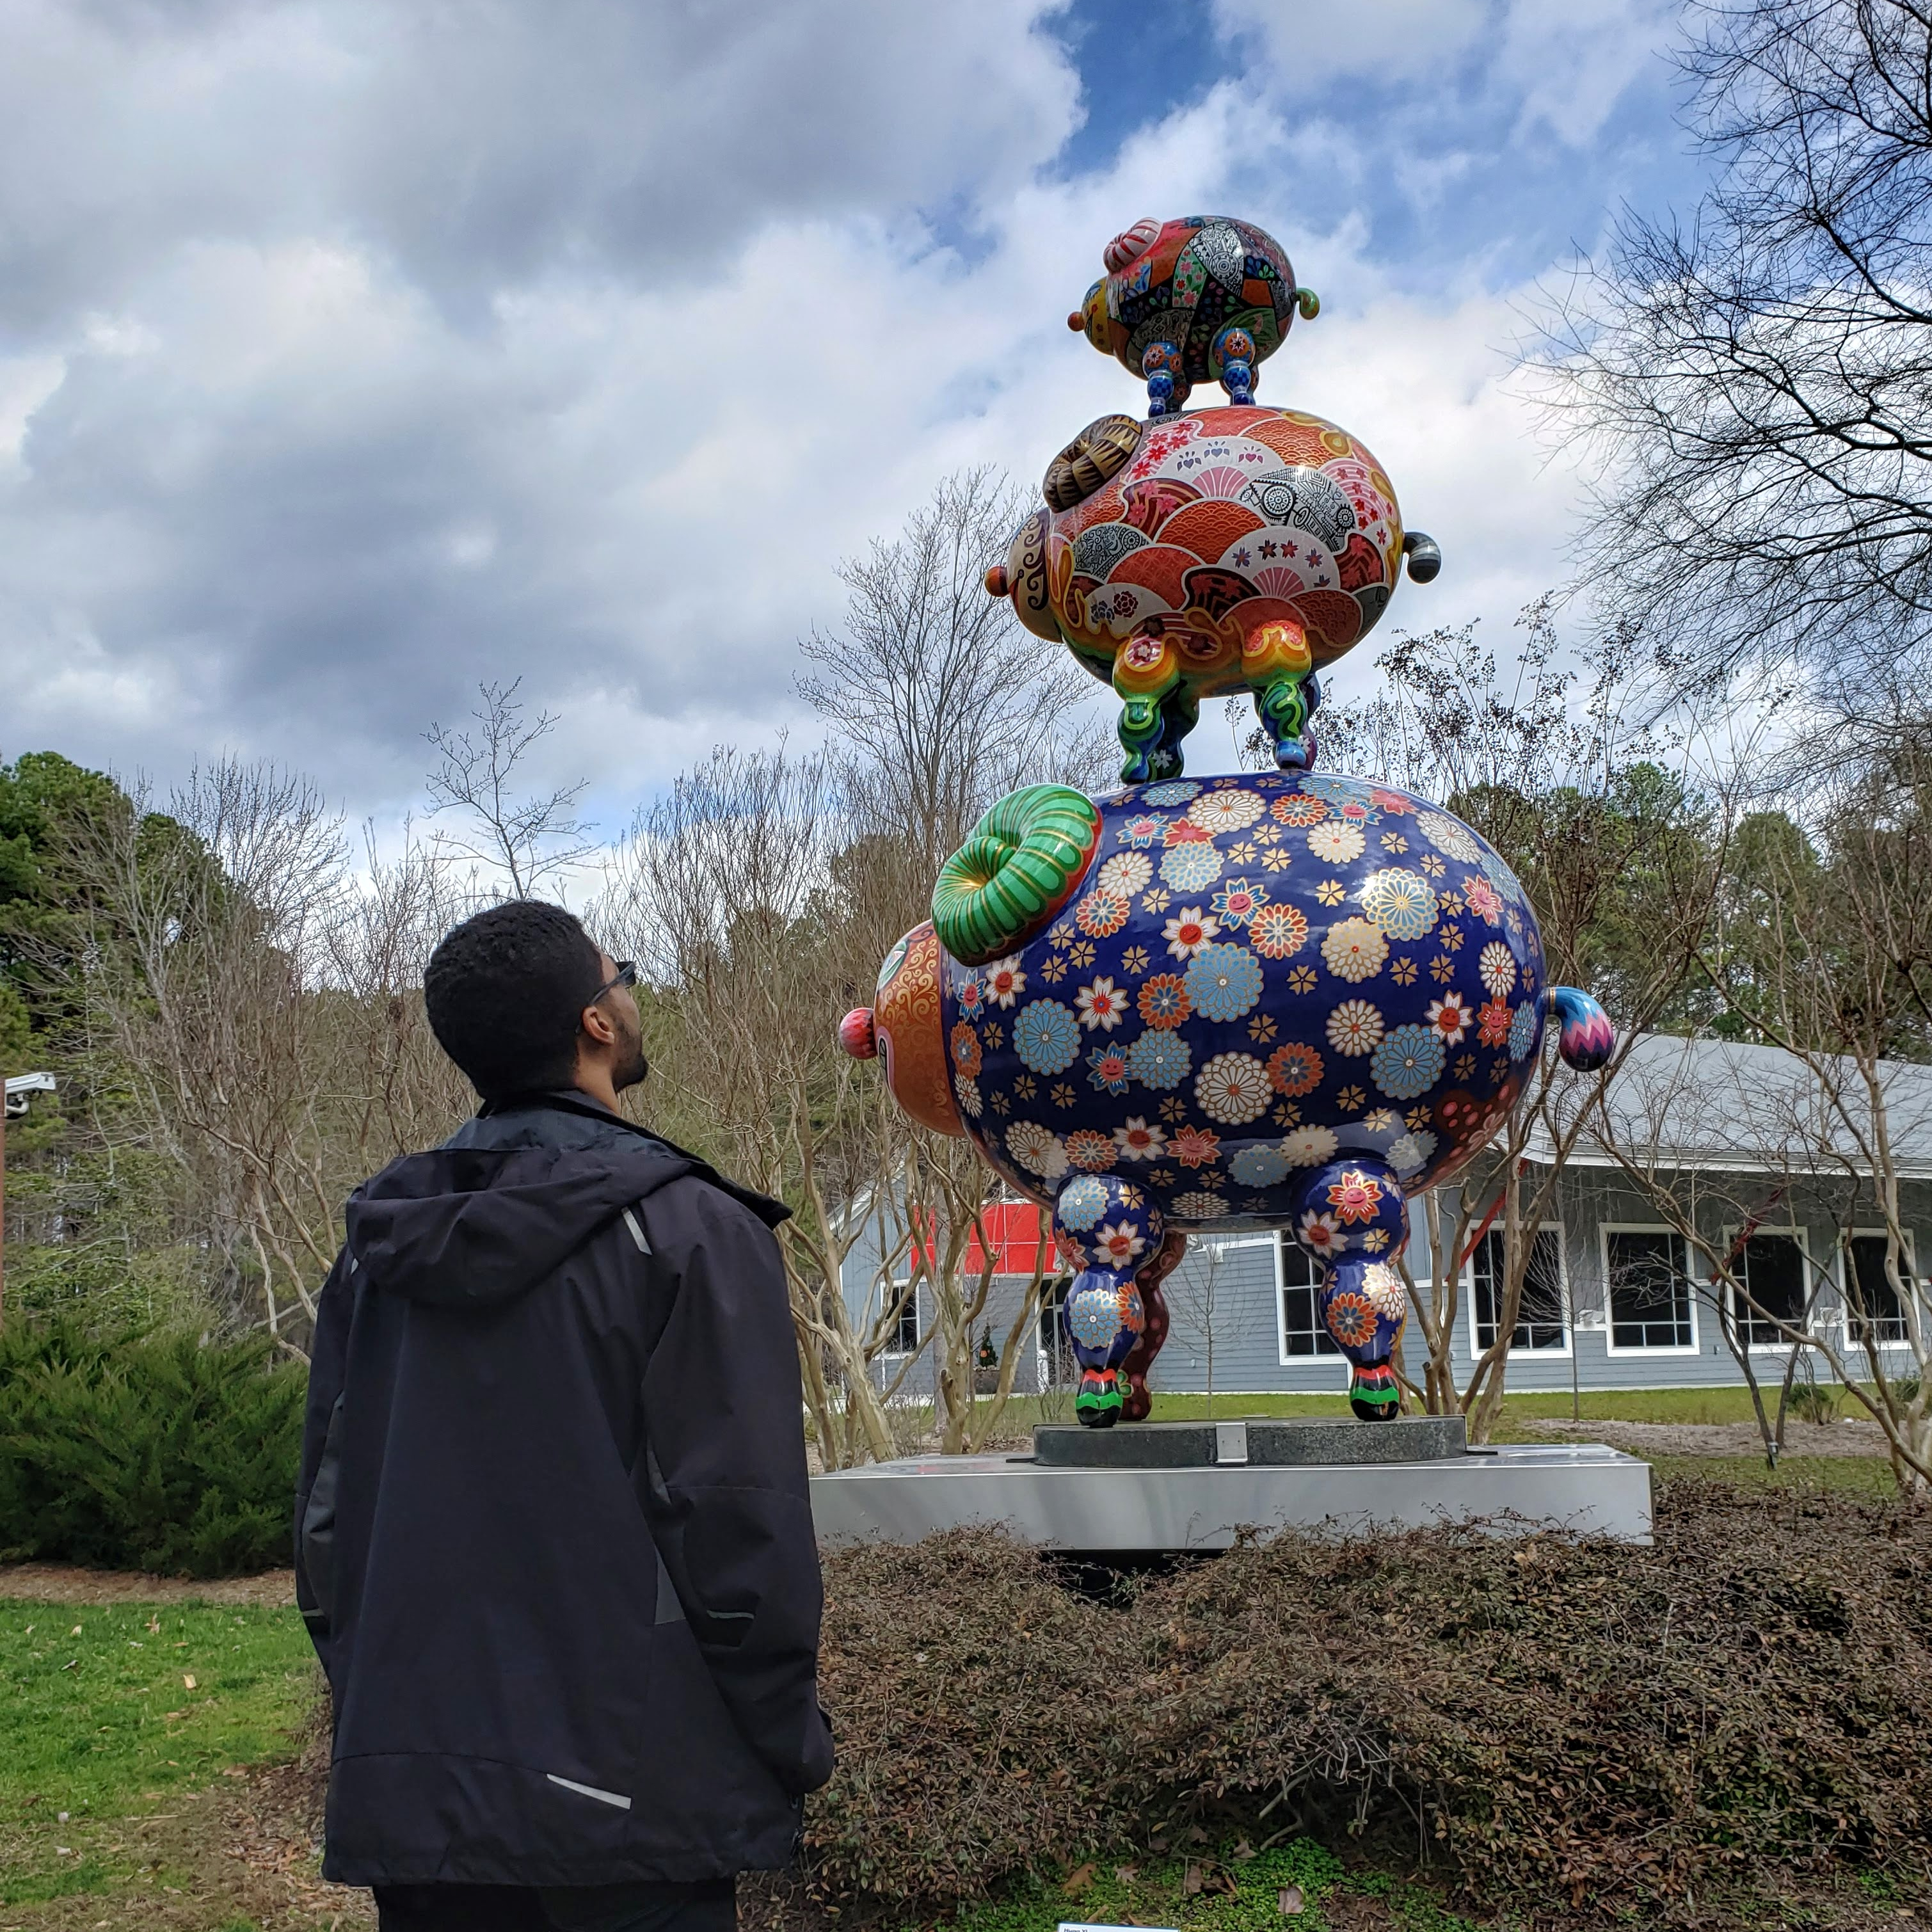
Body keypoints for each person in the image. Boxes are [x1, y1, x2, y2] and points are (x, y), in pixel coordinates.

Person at [295, 900, 833, 1932]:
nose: (632, 993)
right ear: (596, 1022)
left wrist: (388, 1719)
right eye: (620, 973)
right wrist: (789, 1740)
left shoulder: (378, 1247)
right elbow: (738, 1526)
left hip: (419, 1792)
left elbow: (326, 1529)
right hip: (636, 1811)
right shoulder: (693, 1233)